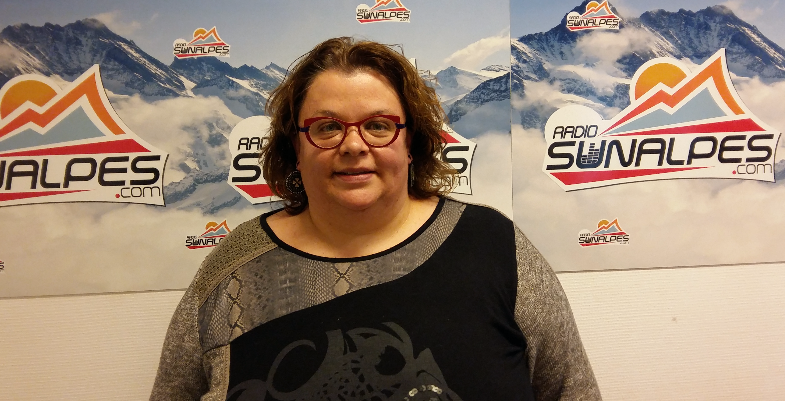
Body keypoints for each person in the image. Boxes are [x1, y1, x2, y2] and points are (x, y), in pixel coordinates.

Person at [150, 37, 601, 401]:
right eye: (327, 127)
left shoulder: (494, 246)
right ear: (295, 148)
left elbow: (572, 392)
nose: (353, 145)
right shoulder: (235, 268)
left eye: (379, 125)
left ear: (411, 143)